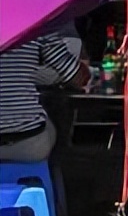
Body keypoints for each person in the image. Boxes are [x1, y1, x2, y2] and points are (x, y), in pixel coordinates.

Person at [0, 28, 90, 162]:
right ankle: (55, 177)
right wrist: (85, 69)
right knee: (53, 121)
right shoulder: (37, 24)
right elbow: (75, 75)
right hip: (28, 143)